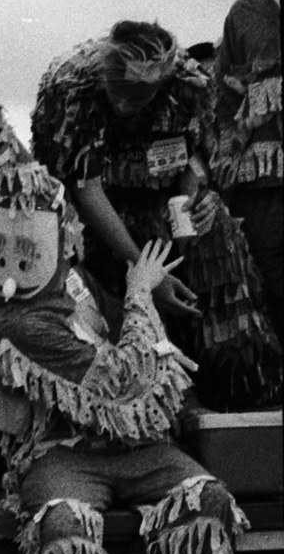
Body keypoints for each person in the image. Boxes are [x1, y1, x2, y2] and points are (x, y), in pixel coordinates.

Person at [0, 97, 247, 554]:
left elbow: (144, 359)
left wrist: (146, 307)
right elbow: (119, 380)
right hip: (61, 456)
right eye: (10, 249)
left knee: (209, 502)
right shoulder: (19, 323)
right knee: (63, 530)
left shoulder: (79, 283)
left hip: (135, 450)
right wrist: (142, 294)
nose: (21, 261)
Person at [33, 20, 279, 407]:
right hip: (90, 216)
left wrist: (198, 201)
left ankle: (238, 387)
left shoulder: (187, 89)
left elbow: (188, 161)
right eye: (119, 94)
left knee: (219, 233)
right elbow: (87, 189)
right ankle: (148, 390)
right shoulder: (71, 92)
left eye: (138, 97)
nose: (125, 105)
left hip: (159, 198)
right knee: (110, 268)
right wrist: (146, 275)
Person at [209, 0, 281, 348]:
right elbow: (221, 105)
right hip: (262, 190)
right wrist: (224, 173)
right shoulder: (243, 15)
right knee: (271, 291)